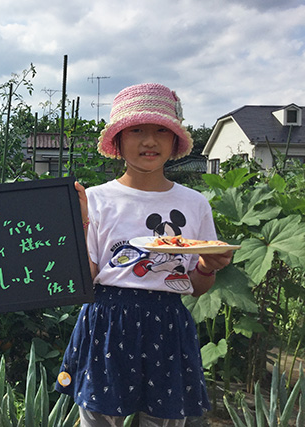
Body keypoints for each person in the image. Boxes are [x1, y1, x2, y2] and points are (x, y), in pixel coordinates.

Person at [56, 83, 233, 426]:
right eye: (137, 130)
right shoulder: (95, 200)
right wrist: (77, 228)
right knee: (98, 419)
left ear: (174, 141)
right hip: (107, 320)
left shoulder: (194, 204)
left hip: (168, 323)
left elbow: (196, 287)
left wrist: (208, 267)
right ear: (119, 141)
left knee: (162, 420)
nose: (149, 141)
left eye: (161, 131)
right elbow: (88, 276)